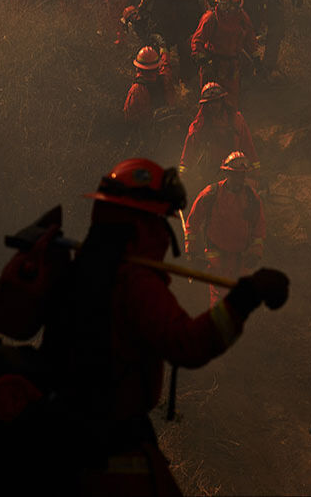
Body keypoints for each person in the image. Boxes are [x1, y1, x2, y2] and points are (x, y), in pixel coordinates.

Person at [40, 157, 289, 496]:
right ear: (144, 219)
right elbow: (188, 344)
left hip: (59, 438)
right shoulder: (135, 282)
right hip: (112, 446)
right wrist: (246, 297)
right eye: (160, 218)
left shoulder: (78, 269)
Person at [183, 151, 265, 307]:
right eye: (234, 174)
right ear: (226, 173)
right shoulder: (211, 193)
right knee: (220, 295)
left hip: (242, 256)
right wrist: (191, 252)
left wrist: (256, 252)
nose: (239, 179)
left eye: (242, 175)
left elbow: (259, 226)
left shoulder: (251, 197)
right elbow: (192, 223)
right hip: (216, 254)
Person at [178, 82, 259, 192]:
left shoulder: (235, 120)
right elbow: (189, 151)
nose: (213, 106)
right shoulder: (199, 125)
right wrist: (182, 173)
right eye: (210, 103)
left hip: (235, 170)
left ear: (222, 101)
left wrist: (256, 169)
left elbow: (247, 144)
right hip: (210, 173)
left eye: (216, 101)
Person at [190, 0, 259, 105]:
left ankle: (231, 120)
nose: (227, 11)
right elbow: (197, 41)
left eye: (231, 7)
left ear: (238, 7)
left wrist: (256, 57)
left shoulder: (242, 19)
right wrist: (202, 59)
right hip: (212, 64)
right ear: (219, 3)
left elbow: (250, 39)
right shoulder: (211, 18)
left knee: (231, 100)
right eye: (224, 6)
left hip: (232, 65)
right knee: (209, 100)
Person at [123, 45, 177, 159]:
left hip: (148, 139)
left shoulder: (137, 90)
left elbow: (129, 118)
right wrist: (164, 52)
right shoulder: (165, 80)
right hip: (169, 134)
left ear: (139, 68)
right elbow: (166, 69)